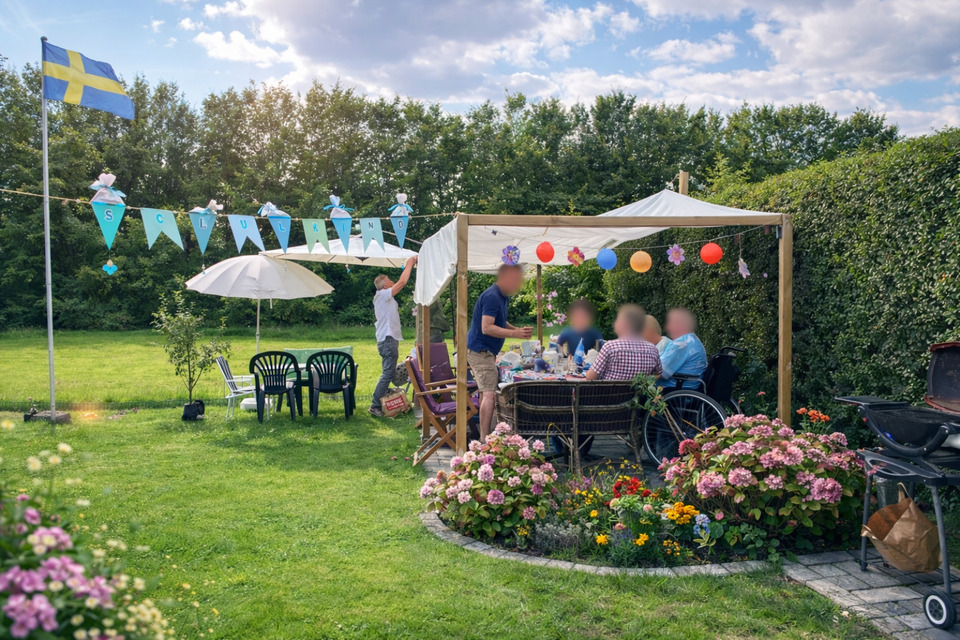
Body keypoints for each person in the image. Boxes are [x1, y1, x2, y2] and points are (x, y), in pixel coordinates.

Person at [467, 264, 531, 439]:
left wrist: (516, 330)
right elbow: (487, 327)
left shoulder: (502, 296)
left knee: (486, 392)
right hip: (480, 350)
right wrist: (515, 334)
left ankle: (486, 436)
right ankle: (485, 440)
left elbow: (499, 321)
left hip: (486, 351)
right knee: (489, 394)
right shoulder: (492, 297)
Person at [369, 255, 418, 417]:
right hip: (388, 339)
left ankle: (383, 400)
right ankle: (375, 405)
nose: (392, 282)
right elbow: (402, 282)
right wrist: (410, 263)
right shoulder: (382, 294)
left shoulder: (384, 297)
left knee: (388, 372)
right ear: (384, 285)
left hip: (388, 339)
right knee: (388, 374)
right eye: (389, 280)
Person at [586, 304, 662, 382]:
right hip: (638, 390)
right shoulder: (653, 350)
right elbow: (658, 373)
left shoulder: (610, 347)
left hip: (610, 390)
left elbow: (590, 377)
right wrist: (643, 381)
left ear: (624, 324)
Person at [658, 308, 708, 390]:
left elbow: (661, 371)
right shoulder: (692, 340)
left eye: (671, 323)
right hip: (690, 388)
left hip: (675, 389)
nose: (667, 328)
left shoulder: (682, 344)